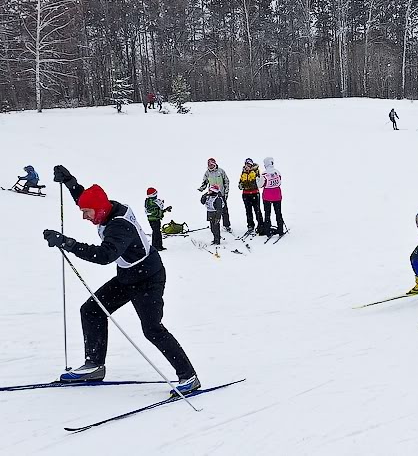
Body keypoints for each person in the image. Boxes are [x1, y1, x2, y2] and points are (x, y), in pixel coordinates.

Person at [41, 165, 199, 394]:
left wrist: (69, 244)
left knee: (152, 329)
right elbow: (87, 200)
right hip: (128, 276)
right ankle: (94, 365)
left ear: (99, 210)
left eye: (87, 212)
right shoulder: (106, 208)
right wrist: (70, 182)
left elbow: (105, 256)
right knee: (92, 310)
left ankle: (189, 377)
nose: (84, 217)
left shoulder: (119, 226)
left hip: (148, 278)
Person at [198, 158, 231, 232]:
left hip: (221, 193)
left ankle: (227, 225)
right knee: (213, 211)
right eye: (209, 164)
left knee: (224, 210)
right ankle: (214, 226)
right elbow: (205, 182)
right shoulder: (207, 173)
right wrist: (202, 188)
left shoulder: (221, 171)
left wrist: (226, 192)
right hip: (212, 194)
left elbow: (226, 181)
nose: (210, 166)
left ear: (215, 164)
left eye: (211, 164)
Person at [257, 157, 284, 236]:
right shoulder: (277, 172)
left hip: (267, 197)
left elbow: (260, 185)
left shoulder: (264, 174)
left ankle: (268, 231)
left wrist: (257, 180)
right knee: (278, 213)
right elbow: (279, 182)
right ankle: (280, 229)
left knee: (267, 214)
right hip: (277, 195)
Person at [238, 158, 263, 232]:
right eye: (246, 164)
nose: (247, 166)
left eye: (249, 164)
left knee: (257, 210)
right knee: (248, 211)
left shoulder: (256, 171)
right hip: (246, 194)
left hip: (255, 193)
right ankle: (250, 225)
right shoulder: (243, 172)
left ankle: (261, 225)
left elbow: (259, 181)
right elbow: (240, 182)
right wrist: (240, 185)